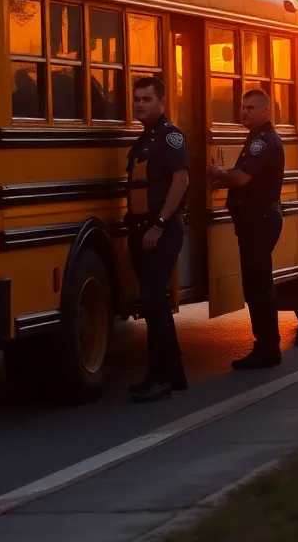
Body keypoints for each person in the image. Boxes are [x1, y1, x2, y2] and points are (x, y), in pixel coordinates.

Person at [125, 77, 191, 403]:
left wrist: (160, 224)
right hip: (142, 231)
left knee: (153, 303)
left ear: (162, 103)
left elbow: (181, 180)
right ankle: (175, 374)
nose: (140, 104)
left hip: (160, 231)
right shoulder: (145, 140)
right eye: (137, 99)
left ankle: (159, 377)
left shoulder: (171, 137)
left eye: (147, 99)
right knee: (157, 305)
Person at [210, 88, 285, 370]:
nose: (245, 112)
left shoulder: (261, 142)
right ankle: (267, 345)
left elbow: (241, 179)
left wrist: (217, 174)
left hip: (258, 220)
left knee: (258, 287)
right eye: (243, 107)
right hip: (257, 219)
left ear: (266, 111)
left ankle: (266, 348)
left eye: (251, 108)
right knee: (257, 285)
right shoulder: (257, 139)